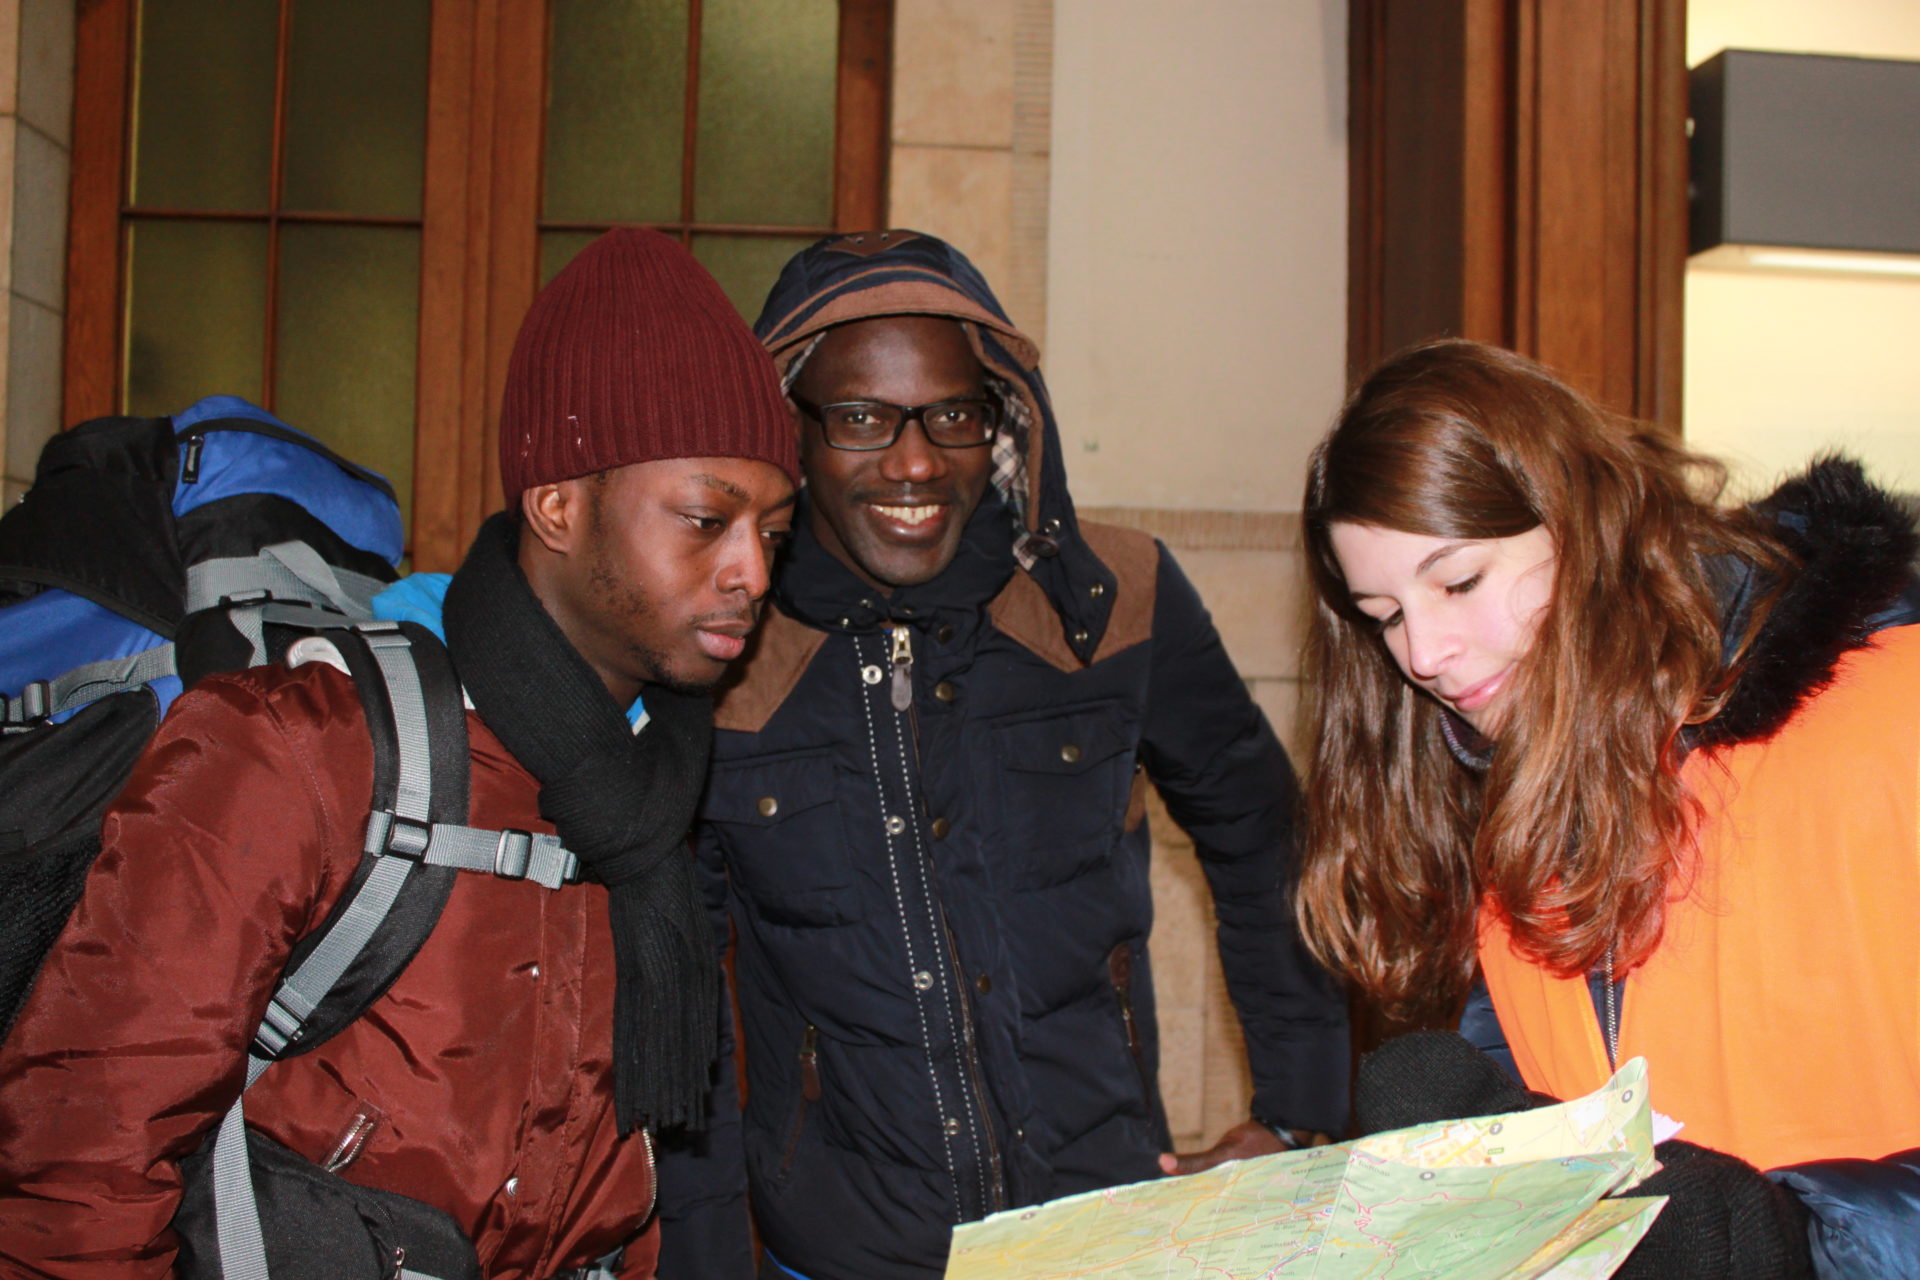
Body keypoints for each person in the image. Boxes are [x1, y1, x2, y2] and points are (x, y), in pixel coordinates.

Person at [0, 228, 799, 1278]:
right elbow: (84, 1163)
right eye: (707, 518)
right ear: (558, 504)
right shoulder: (300, 744)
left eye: (775, 531)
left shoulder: (653, 778)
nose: (750, 568)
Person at [655, 230, 1350, 1279]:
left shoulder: (1116, 599)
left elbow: (1263, 835)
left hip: (1101, 1233)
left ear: (1005, 420)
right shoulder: (722, 651)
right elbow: (683, 998)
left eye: (953, 414)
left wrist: (1302, 1119)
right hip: (841, 1250)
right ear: (785, 432)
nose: (917, 459)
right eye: (859, 419)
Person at [1298, 336, 1920, 1278]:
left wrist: (1796, 1244)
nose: (1422, 652)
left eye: (1459, 581)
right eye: (1383, 615)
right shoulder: (1512, 796)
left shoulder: (1895, 708)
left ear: (1586, 522)